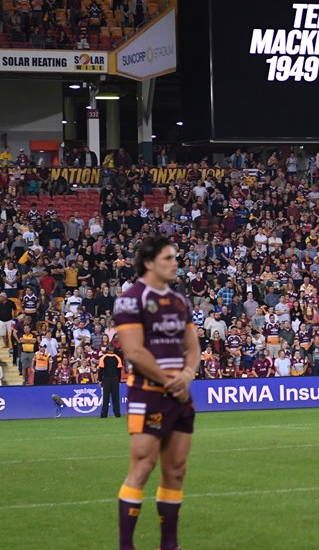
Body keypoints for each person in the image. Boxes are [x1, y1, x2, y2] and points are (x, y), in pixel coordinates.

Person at [112, 235, 199, 550]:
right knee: (143, 465)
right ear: (149, 263)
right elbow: (134, 351)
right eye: (168, 258)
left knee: (176, 470)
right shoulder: (130, 299)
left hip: (180, 395)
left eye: (175, 257)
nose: (175, 263)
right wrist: (169, 379)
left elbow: (193, 346)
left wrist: (188, 374)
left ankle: (169, 545)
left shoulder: (180, 300)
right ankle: (126, 545)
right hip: (148, 393)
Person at [98, 343, 123, 417]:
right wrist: (119, 381)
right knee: (116, 398)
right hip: (114, 379)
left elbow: (101, 370)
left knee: (106, 398)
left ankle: (104, 414)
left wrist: (100, 380)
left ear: (107, 349)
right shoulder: (117, 358)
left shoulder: (103, 357)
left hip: (106, 379)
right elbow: (119, 371)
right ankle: (117, 414)